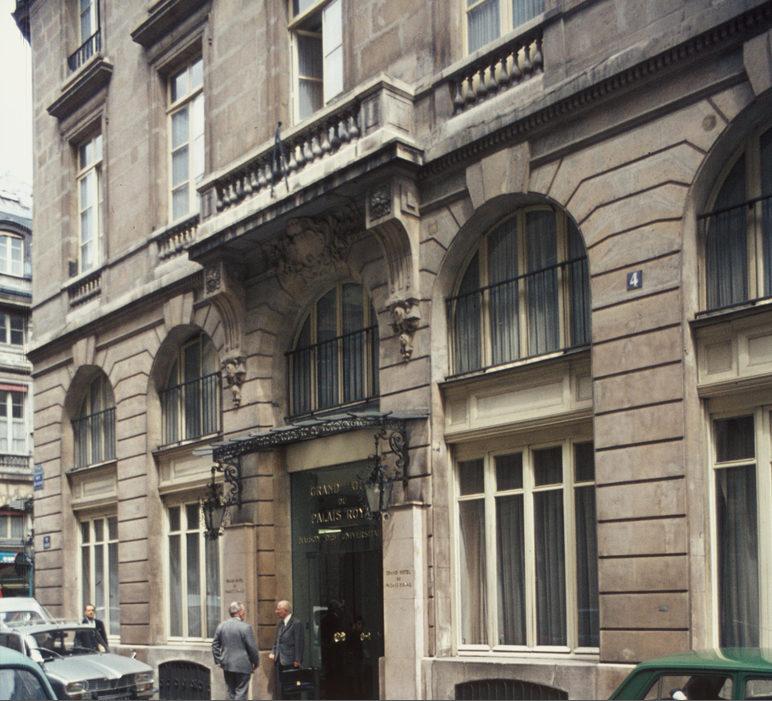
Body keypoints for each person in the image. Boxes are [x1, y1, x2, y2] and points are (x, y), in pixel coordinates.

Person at [212, 601, 260, 701]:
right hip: (243, 665)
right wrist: (256, 662)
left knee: (230, 691)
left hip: (227, 664)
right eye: (244, 611)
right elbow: (252, 648)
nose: (244, 613)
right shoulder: (246, 627)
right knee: (241, 692)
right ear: (240, 612)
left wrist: (219, 660)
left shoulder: (221, 626)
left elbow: (215, 645)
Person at [269, 600, 304, 700]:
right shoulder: (280, 623)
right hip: (279, 661)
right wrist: (273, 652)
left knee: (292, 688)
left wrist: (297, 660)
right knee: (282, 688)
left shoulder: (296, 623)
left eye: (278, 609)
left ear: (286, 610)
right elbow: (277, 641)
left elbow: (299, 642)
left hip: (291, 661)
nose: (276, 612)